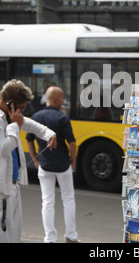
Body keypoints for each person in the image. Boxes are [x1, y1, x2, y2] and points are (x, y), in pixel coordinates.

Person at [0, 79, 57, 243]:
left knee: (13, 237)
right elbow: (3, 148)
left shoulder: (8, 116)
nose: (22, 113)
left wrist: (49, 134)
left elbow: (29, 124)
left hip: (10, 185)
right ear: (10, 103)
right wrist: (15, 126)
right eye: (21, 108)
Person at [26, 86, 80, 243]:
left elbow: (29, 139)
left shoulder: (35, 116)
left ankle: (50, 239)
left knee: (47, 201)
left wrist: (35, 160)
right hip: (63, 166)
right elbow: (72, 143)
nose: (63, 101)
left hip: (44, 167)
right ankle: (71, 236)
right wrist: (73, 160)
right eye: (62, 98)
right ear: (55, 99)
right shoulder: (62, 118)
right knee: (68, 199)